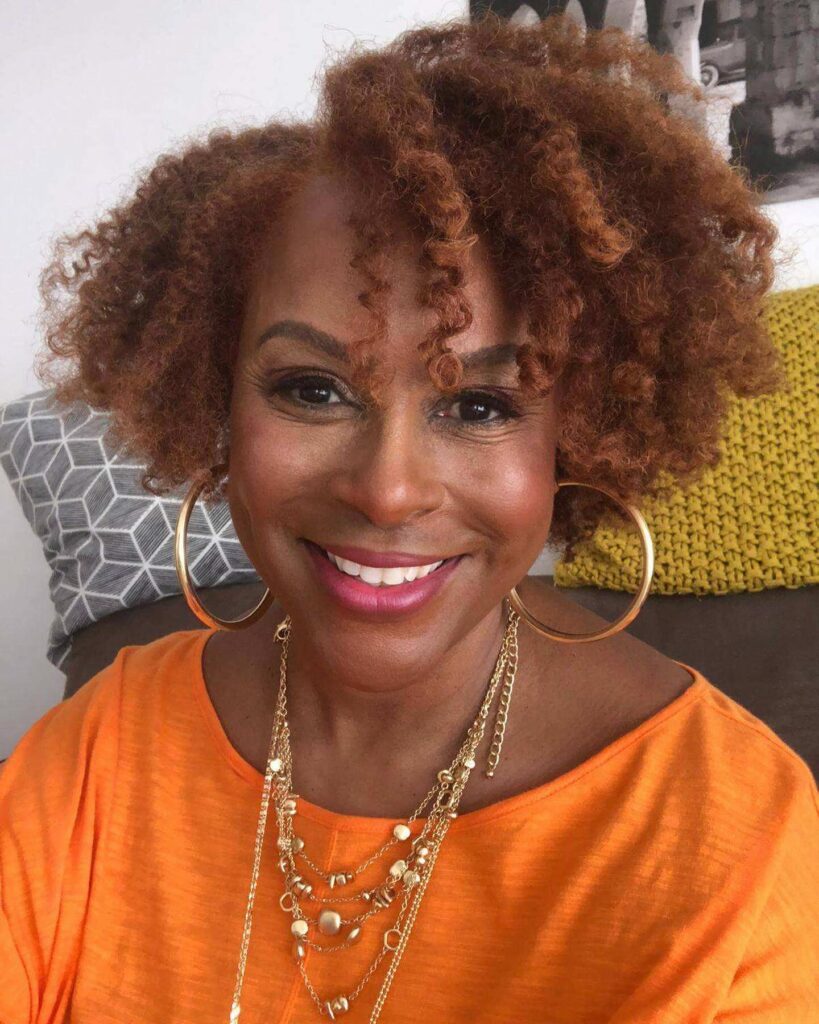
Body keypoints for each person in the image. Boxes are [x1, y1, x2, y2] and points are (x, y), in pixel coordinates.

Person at [2, 13, 817, 1024]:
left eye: (480, 406)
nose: (387, 491)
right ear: (216, 402)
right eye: (310, 389)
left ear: (579, 432)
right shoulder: (94, 762)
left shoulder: (730, 837)